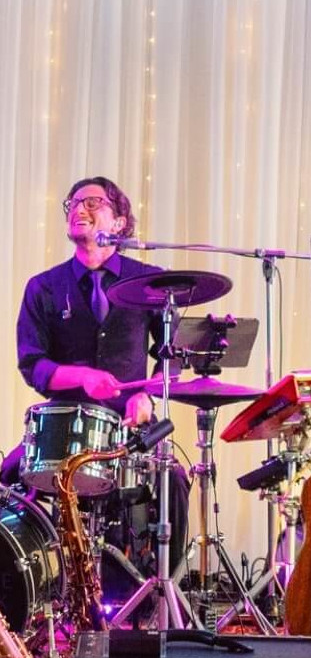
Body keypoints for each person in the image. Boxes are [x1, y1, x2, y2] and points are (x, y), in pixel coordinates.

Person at [13, 175, 190, 576]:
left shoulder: (151, 282)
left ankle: (163, 597)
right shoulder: (43, 287)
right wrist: (80, 376)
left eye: (93, 202)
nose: (79, 209)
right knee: (9, 481)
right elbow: (33, 365)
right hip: (62, 431)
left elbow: (172, 359)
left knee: (174, 482)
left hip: (130, 429)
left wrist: (145, 395)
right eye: (73, 203)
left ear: (120, 222)